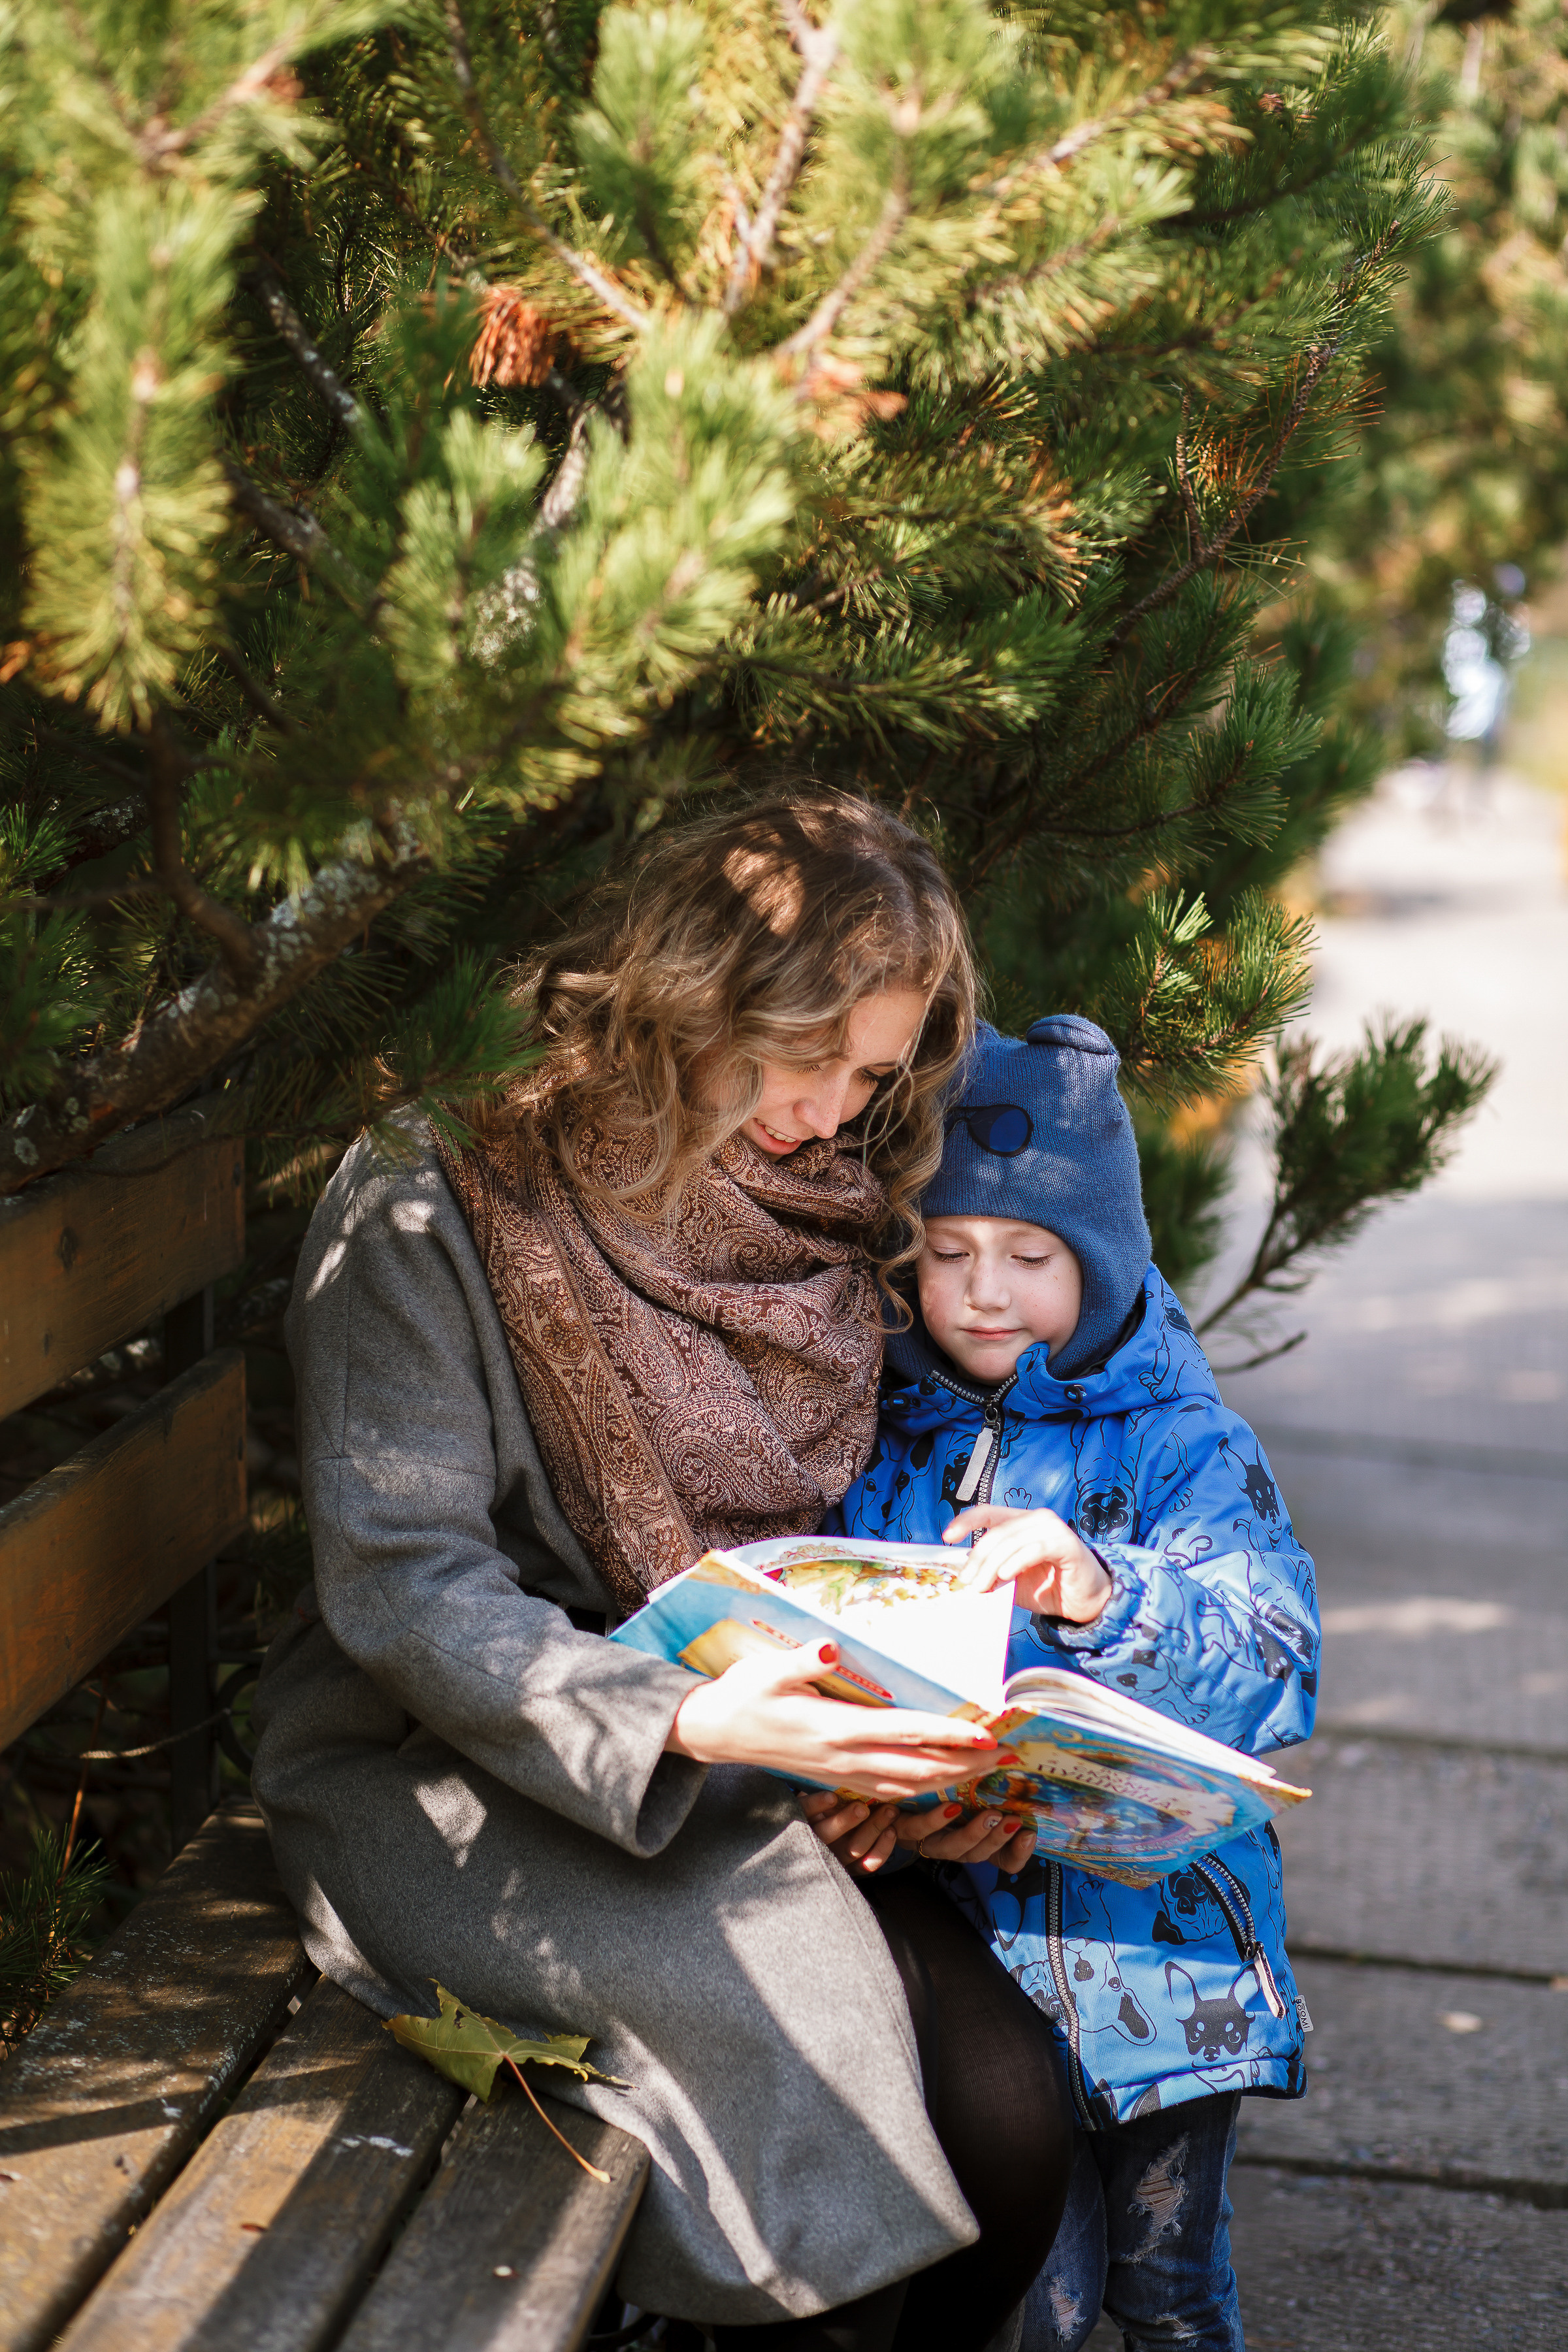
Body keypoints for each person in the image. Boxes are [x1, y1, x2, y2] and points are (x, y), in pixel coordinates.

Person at [251, 793, 1074, 2352]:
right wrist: (689, 1725)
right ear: (700, 990)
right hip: (449, 1770)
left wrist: (919, 1751)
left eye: (875, 1073)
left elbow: (849, 1563)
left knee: (1012, 2117)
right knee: (822, 2115)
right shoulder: (437, 1186)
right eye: (807, 1055)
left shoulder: (830, 1217)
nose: (835, 1113)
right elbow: (406, 1588)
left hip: (760, 1765)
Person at [820, 1014, 1320, 2352]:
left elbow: (1277, 1668)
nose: (985, 1291)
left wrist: (1107, 1593)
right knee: (1035, 2304)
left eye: (1031, 1256)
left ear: (1099, 1266)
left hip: (1170, 1962)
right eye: (946, 1252)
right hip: (985, 1956)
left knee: (1172, 2297)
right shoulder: (889, 1441)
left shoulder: (1183, 1442)